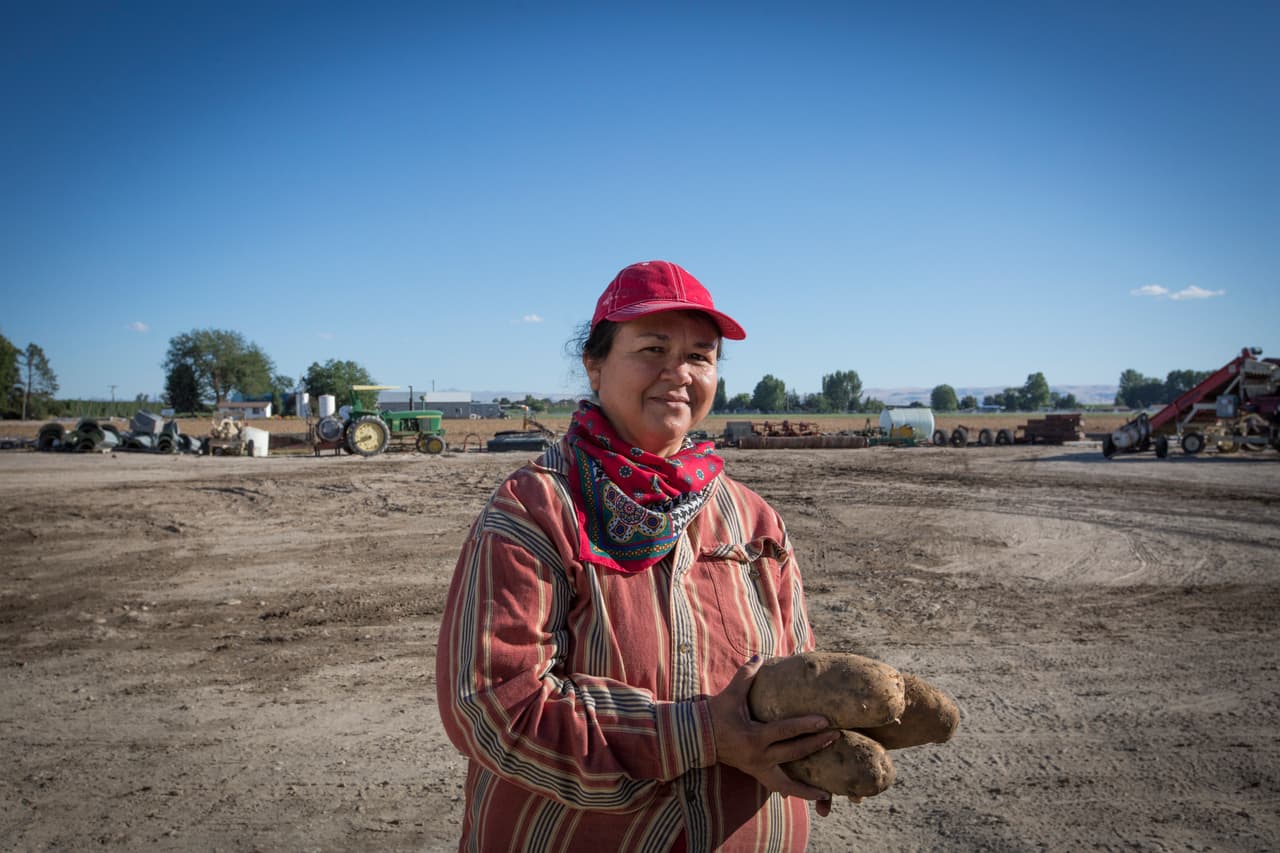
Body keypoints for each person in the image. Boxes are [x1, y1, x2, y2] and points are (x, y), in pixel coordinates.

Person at [436, 260, 839, 851]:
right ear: (594, 365)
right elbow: (495, 706)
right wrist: (700, 735)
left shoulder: (753, 521)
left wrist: (814, 743)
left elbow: (796, 677)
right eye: (653, 348)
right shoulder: (536, 508)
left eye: (701, 356)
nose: (679, 373)